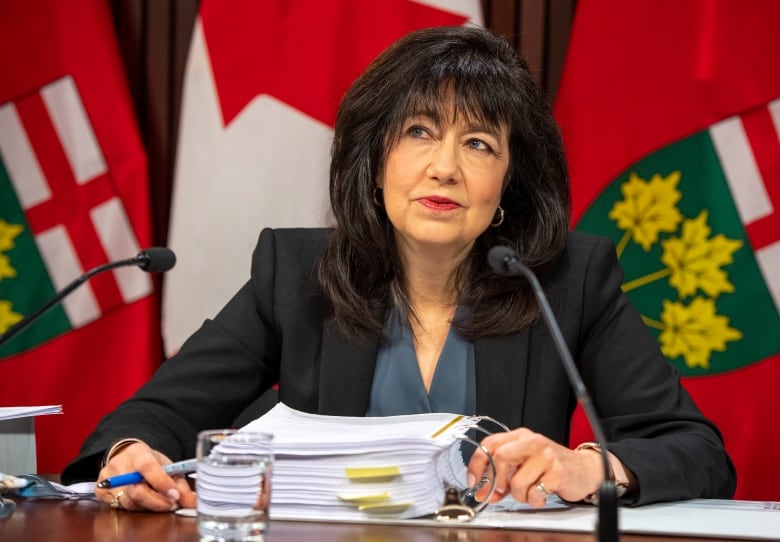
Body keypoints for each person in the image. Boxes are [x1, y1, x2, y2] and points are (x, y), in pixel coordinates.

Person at [61, 25, 736, 512]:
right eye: (418, 132)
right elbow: (151, 417)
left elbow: (697, 450)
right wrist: (128, 455)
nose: (444, 165)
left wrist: (588, 465)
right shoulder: (297, 272)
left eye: (477, 143)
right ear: (376, 158)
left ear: (510, 186)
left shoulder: (565, 279)